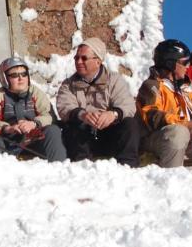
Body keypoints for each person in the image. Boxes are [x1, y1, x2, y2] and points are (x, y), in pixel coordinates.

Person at [137, 40, 192, 169]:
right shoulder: (152, 85)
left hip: (189, 138)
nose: (188, 66)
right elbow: (152, 116)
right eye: (184, 62)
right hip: (158, 138)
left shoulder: (188, 87)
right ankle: (172, 180)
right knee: (179, 132)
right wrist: (185, 124)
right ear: (171, 64)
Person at [55, 37, 141, 167]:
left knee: (130, 124)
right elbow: (64, 106)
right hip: (83, 137)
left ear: (98, 61)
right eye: (76, 58)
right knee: (73, 126)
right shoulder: (68, 84)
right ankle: (81, 168)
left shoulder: (114, 80)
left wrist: (113, 114)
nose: (78, 62)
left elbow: (127, 105)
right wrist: (82, 115)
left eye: (84, 58)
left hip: (109, 134)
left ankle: (128, 168)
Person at [0, 57, 67, 160]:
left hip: (34, 141)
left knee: (53, 131)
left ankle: (58, 167)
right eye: (14, 75)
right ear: (5, 78)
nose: (21, 78)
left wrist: (33, 124)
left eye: (24, 74)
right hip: (7, 143)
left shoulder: (36, 93)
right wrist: (7, 128)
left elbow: (48, 116)